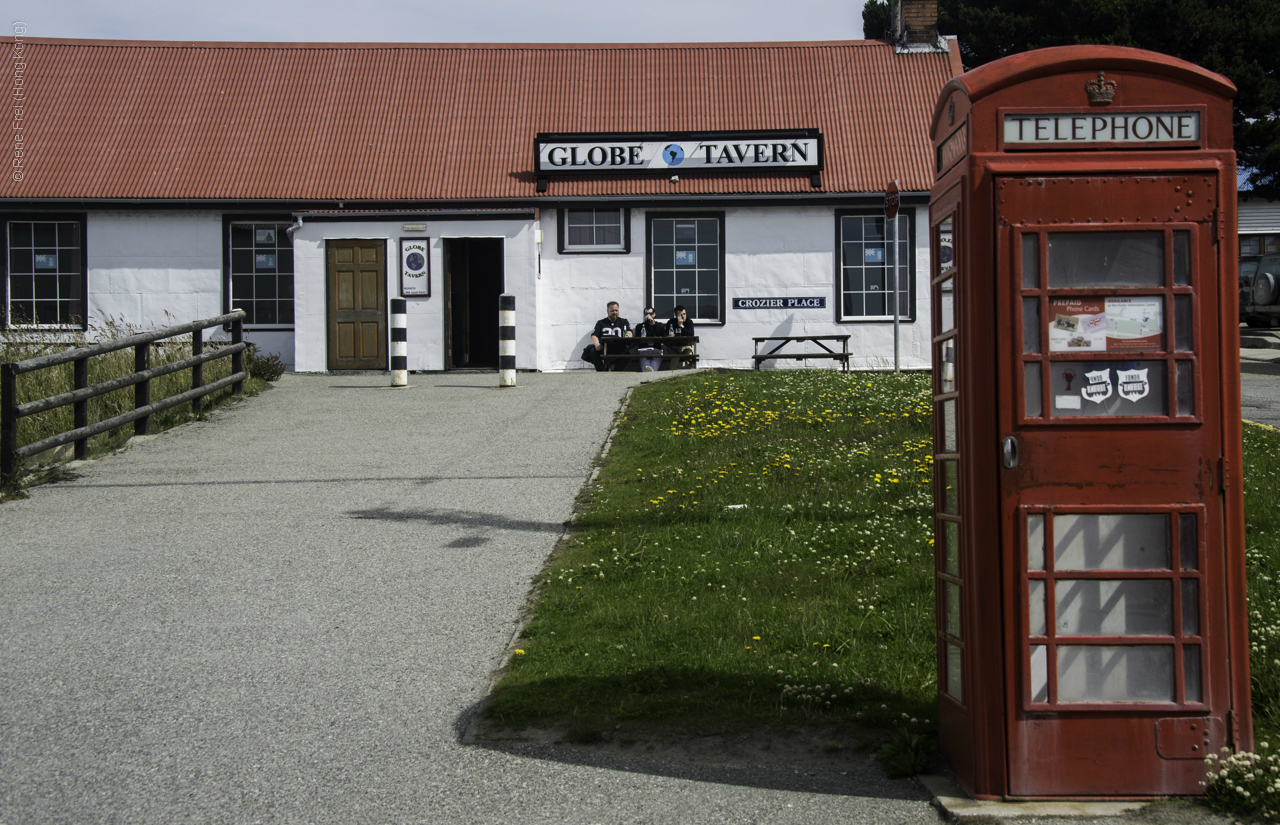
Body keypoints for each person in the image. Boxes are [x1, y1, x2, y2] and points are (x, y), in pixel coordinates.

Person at [583, 300, 632, 371]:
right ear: (607, 311)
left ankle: (616, 373)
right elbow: (594, 335)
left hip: (619, 348)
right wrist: (596, 344)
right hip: (604, 348)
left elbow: (629, 331)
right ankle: (601, 372)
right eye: (612, 311)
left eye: (616, 310)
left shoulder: (623, 321)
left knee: (627, 354)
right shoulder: (601, 323)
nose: (614, 313)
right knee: (592, 350)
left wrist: (629, 334)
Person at [633, 306, 666, 372]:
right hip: (644, 350)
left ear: (654, 314)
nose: (648, 316)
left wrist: (654, 325)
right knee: (646, 366)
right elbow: (638, 339)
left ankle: (650, 374)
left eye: (650, 314)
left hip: (657, 350)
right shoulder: (640, 326)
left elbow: (662, 336)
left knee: (654, 366)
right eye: (646, 314)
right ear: (644, 315)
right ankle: (650, 374)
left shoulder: (659, 325)